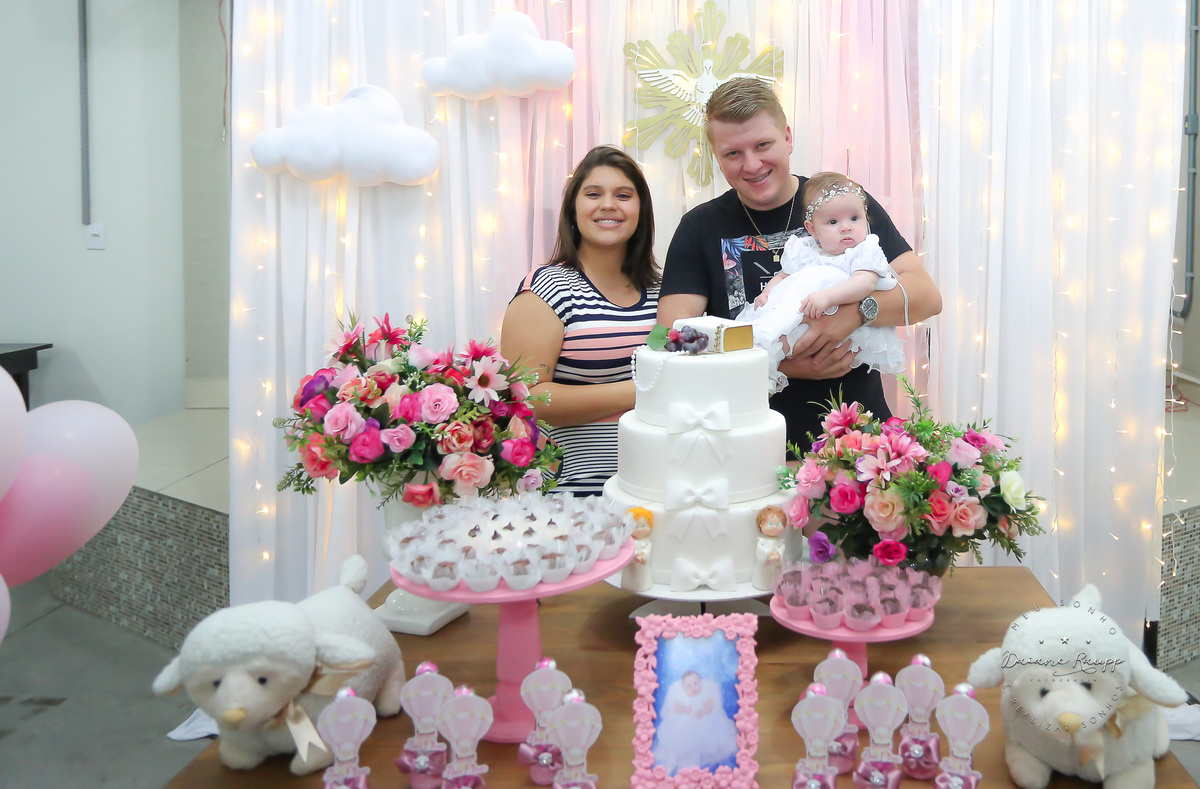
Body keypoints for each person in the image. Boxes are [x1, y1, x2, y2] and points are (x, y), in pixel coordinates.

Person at [657, 78, 942, 450]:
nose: (752, 164)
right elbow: (669, 341)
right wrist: (774, 363)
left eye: (763, 145)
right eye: (733, 153)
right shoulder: (699, 228)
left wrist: (856, 313)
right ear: (716, 156)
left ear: (788, 137)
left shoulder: (841, 205)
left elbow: (926, 297)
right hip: (750, 447)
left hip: (859, 449)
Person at [501, 146, 659, 496]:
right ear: (573, 209)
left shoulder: (662, 291)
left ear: (641, 211)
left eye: (623, 195)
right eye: (593, 194)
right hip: (573, 494)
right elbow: (527, 398)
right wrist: (643, 391)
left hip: (655, 487)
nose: (608, 205)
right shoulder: (546, 289)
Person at [736, 172, 905, 395]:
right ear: (813, 229)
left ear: (865, 218)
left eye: (854, 218)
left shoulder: (864, 251)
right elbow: (783, 276)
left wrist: (828, 296)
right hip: (805, 311)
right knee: (775, 325)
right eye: (833, 222)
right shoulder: (806, 250)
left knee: (788, 329)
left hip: (836, 317)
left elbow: (864, 284)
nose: (846, 227)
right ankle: (761, 365)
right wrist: (767, 293)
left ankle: (765, 370)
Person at [654, 670, 739, 775]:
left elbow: (710, 705)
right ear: (684, 688)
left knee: (699, 743)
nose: (693, 687)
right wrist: (683, 708)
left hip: (703, 723)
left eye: (696, 683)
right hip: (684, 724)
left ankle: (694, 763)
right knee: (678, 740)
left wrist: (704, 711)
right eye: (689, 686)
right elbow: (677, 706)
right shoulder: (683, 696)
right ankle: (673, 759)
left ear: (700, 683)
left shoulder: (703, 695)